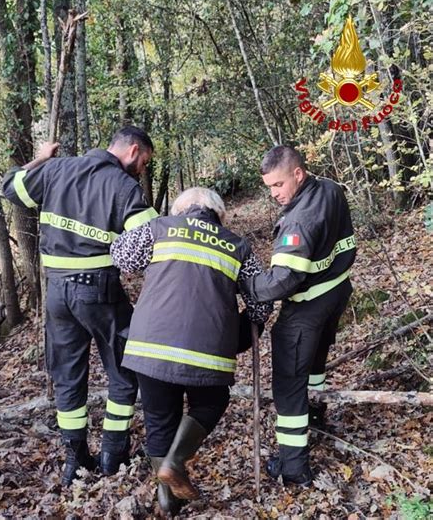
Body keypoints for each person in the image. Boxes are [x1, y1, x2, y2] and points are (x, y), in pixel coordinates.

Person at [2, 126, 159, 486]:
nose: (142, 170)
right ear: (133, 151)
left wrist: (42, 158)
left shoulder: (56, 170)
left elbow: (11, 186)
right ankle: (113, 453)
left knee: (68, 377)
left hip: (56, 294)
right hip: (100, 291)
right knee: (124, 371)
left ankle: (75, 459)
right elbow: (152, 241)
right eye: (144, 162)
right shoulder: (124, 187)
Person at [110, 187, 272, 514]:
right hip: (208, 351)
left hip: (149, 347)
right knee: (212, 401)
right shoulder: (236, 245)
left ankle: (168, 503)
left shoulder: (159, 229)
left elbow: (120, 255)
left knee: (159, 419)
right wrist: (245, 330)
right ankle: (175, 461)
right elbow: (262, 298)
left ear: (180, 209)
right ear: (219, 213)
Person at [240, 146, 356, 487]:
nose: (275, 194)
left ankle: (294, 467)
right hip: (335, 294)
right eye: (269, 188)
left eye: (278, 185)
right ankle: (317, 417)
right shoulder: (331, 189)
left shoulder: (299, 219)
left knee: (289, 386)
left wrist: (248, 287)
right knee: (315, 365)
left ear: (298, 174)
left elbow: (283, 280)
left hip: (305, 309)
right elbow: (346, 246)